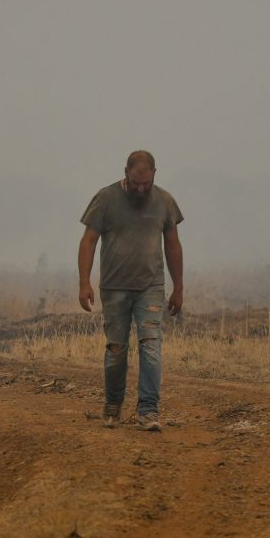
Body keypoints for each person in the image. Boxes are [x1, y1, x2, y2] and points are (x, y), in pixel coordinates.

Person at [78, 150, 184, 431]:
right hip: (114, 288)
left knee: (151, 346)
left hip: (150, 285)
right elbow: (88, 241)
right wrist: (84, 283)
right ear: (125, 172)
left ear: (154, 176)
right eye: (136, 182)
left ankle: (148, 411)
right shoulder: (105, 199)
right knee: (116, 349)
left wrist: (178, 288)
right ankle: (113, 404)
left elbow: (173, 245)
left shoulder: (164, 201)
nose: (140, 189)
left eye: (146, 183)